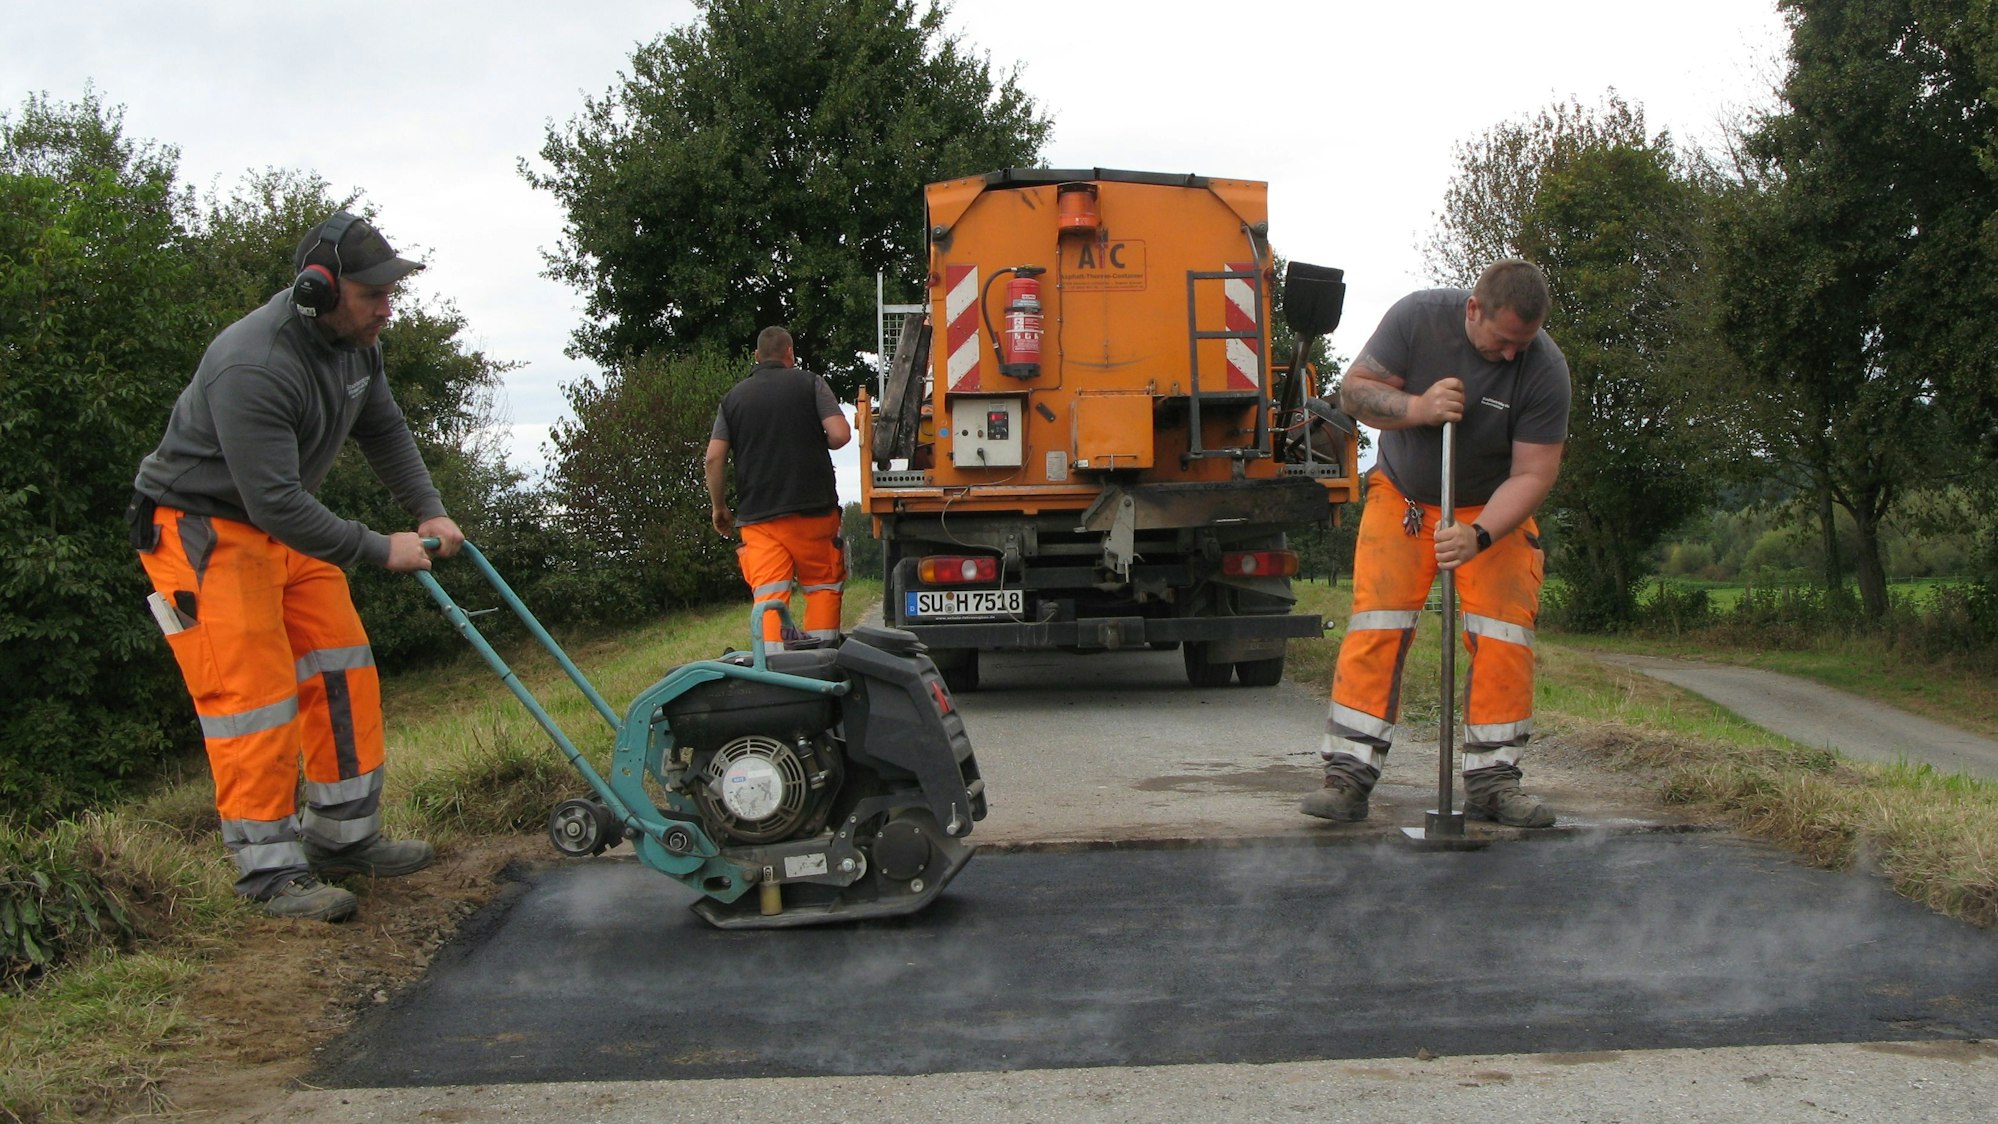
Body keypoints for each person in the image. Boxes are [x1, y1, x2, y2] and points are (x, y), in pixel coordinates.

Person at [127, 211, 465, 922]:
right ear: (320, 289)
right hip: (200, 530)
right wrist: (382, 546)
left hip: (276, 526)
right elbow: (276, 501)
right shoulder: (255, 362)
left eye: (389, 292)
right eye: (373, 294)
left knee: (341, 663)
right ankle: (269, 874)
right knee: (252, 695)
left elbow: (383, 428)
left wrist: (428, 509)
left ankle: (345, 838)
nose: (387, 308)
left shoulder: (356, 347)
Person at [1303, 259, 1571, 828]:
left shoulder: (1544, 367)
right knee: (1377, 626)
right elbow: (1354, 393)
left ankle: (1494, 783)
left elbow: (1533, 474)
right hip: (1404, 500)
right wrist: (1419, 408)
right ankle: (1347, 776)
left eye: (1522, 344)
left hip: (1489, 511)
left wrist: (1478, 535)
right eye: (1502, 341)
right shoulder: (1417, 319)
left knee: (1504, 636)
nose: (1510, 356)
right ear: (1474, 309)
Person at [705, 326, 852, 646]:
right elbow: (840, 435)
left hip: (759, 519)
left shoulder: (733, 399)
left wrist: (719, 507)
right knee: (822, 587)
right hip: (814, 511)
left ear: (757, 357)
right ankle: (823, 663)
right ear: (790, 354)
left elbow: (714, 459)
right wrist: (814, 440)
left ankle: (774, 670)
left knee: (770, 595)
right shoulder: (810, 383)